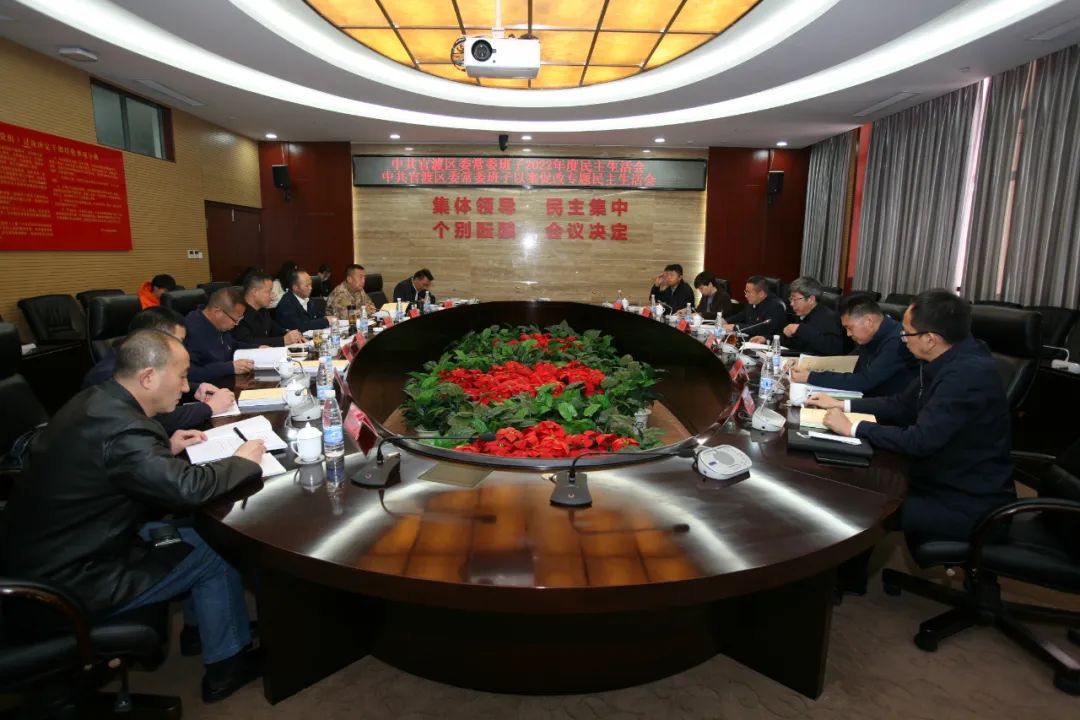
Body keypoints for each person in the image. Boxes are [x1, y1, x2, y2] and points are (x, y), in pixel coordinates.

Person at [0, 330, 265, 702]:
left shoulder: (97, 400)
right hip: (65, 583)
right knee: (214, 549)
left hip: (44, 554)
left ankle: (199, 631)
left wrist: (163, 449)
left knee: (190, 534)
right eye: (182, 376)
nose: (186, 386)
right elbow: (187, 489)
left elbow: (106, 461)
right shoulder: (125, 429)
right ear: (148, 377)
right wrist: (242, 462)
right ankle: (227, 667)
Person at [807, 289, 1015, 583]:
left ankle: (838, 584)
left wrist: (853, 428)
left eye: (906, 333)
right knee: (854, 476)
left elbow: (919, 441)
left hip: (965, 498)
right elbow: (903, 405)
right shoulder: (950, 357)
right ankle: (846, 579)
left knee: (859, 502)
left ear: (930, 339)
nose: (902, 338)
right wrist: (844, 405)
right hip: (942, 473)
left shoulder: (966, 376)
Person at [82, 307, 236, 431]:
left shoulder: (136, 360)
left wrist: (196, 389)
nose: (181, 348)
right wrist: (209, 408)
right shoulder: (108, 376)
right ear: (152, 339)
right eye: (177, 341)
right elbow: (154, 420)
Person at [789, 294, 918, 397]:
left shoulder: (897, 341)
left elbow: (865, 380)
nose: (848, 334)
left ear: (869, 321)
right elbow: (847, 362)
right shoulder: (870, 336)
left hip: (885, 410)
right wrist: (805, 364)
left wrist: (811, 377)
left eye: (850, 328)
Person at [184, 287, 256, 383]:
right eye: (235, 320)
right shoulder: (189, 331)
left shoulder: (218, 325)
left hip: (226, 382)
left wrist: (258, 348)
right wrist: (229, 367)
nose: (236, 324)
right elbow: (190, 373)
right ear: (217, 312)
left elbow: (232, 345)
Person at [762, 276, 843, 354]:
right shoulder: (804, 314)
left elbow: (834, 348)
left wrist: (800, 329)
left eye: (795, 299)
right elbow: (791, 340)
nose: (791, 304)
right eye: (791, 299)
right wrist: (766, 339)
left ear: (811, 300)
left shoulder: (829, 318)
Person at [232, 270, 304, 347]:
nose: (272, 295)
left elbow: (275, 329)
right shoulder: (238, 313)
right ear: (255, 292)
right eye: (269, 291)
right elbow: (247, 342)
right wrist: (283, 340)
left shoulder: (263, 310)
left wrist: (291, 334)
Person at [723, 275, 787, 338]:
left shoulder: (776, 307)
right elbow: (742, 315)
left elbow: (762, 329)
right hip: (750, 340)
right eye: (745, 292)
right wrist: (726, 321)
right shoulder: (754, 300)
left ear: (761, 294)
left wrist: (735, 327)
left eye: (748, 292)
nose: (746, 295)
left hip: (767, 343)